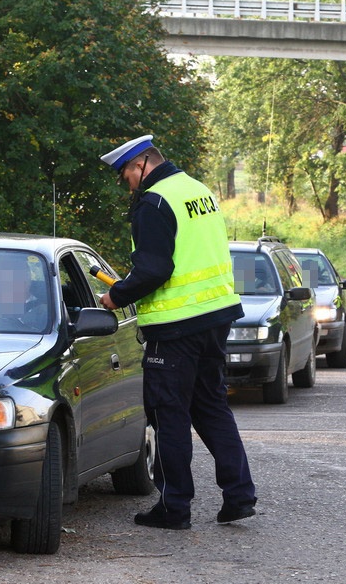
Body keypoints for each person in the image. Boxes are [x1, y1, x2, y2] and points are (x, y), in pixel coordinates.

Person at [98, 134, 256, 530]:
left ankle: (174, 507)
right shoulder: (196, 189)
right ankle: (239, 496)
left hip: (175, 327)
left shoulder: (154, 201)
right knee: (212, 407)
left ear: (141, 164)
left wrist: (116, 296)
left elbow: (155, 270)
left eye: (126, 176)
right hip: (215, 316)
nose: (127, 184)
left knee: (169, 416)